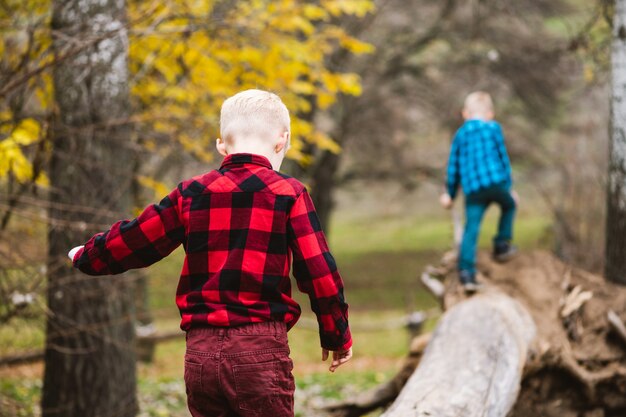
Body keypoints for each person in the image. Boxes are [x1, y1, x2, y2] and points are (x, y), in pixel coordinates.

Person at [67, 89, 353, 417]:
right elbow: (319, 272)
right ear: (281, 141)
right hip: (258, 348)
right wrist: (336, 333)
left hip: (200, 354)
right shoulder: (288, 193)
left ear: (222, 144)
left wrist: (88, 255)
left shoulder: (191, 193)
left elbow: (139, 239)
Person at [439, 91, 518, 293]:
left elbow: (453, 167)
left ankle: (466, 273)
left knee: (471, 229)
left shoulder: (460, 134)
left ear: (465, 113)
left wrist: (450, 194)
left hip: (473, 190)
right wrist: (509, 188)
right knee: (509, 205)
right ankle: (502, 243)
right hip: (495, 182)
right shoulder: (493, 128)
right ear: (490, 113)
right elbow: (503, 159)